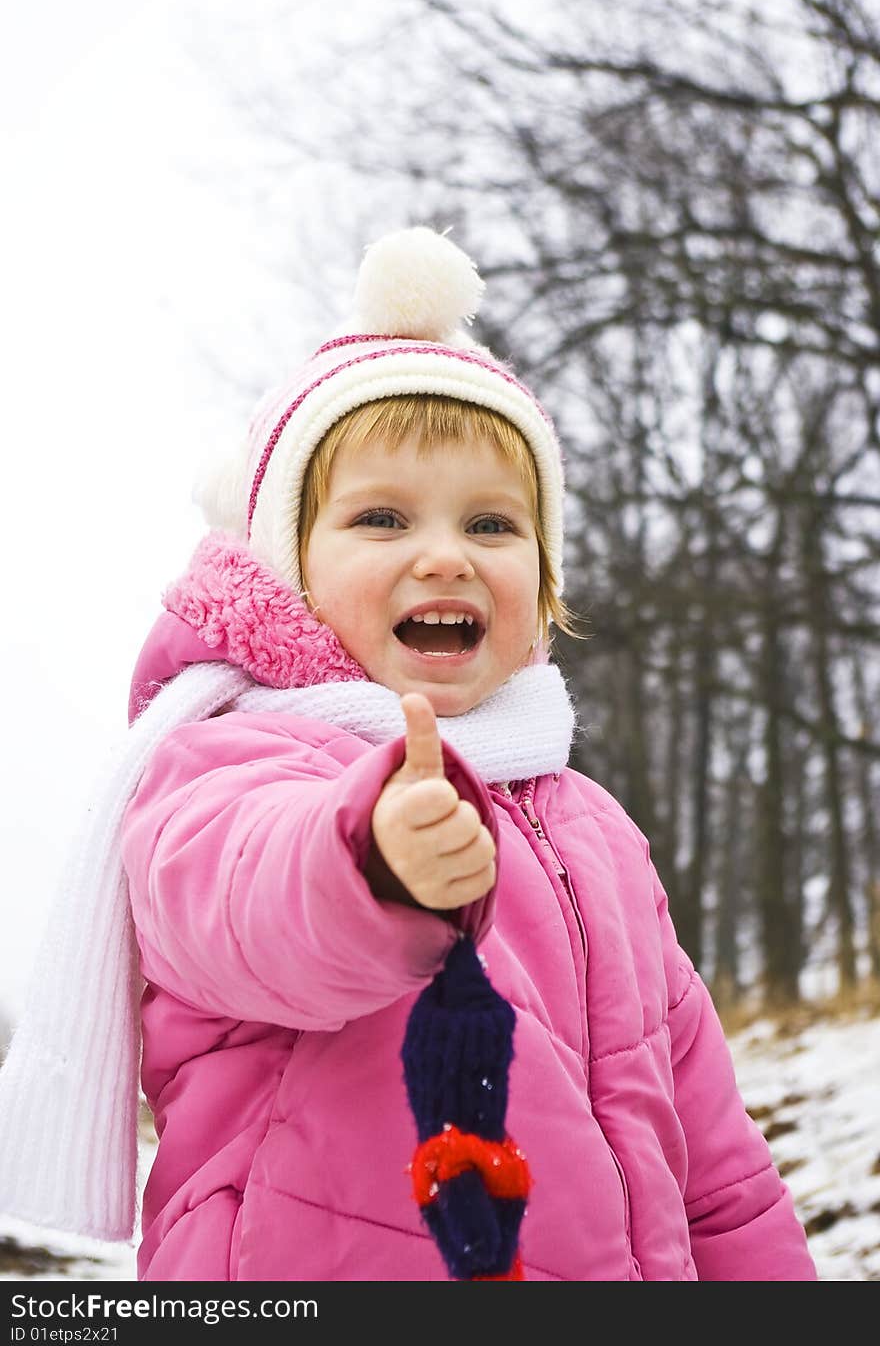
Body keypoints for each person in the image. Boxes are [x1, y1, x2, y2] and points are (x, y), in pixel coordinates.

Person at [0, 227, 817, 1281]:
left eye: (492, 523)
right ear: (285, 575)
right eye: (381, 517)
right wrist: (372, 858)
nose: (445, 553)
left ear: (543, 592)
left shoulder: (592, 826)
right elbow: (244, 904)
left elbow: (713, 1158)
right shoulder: (231, 762)